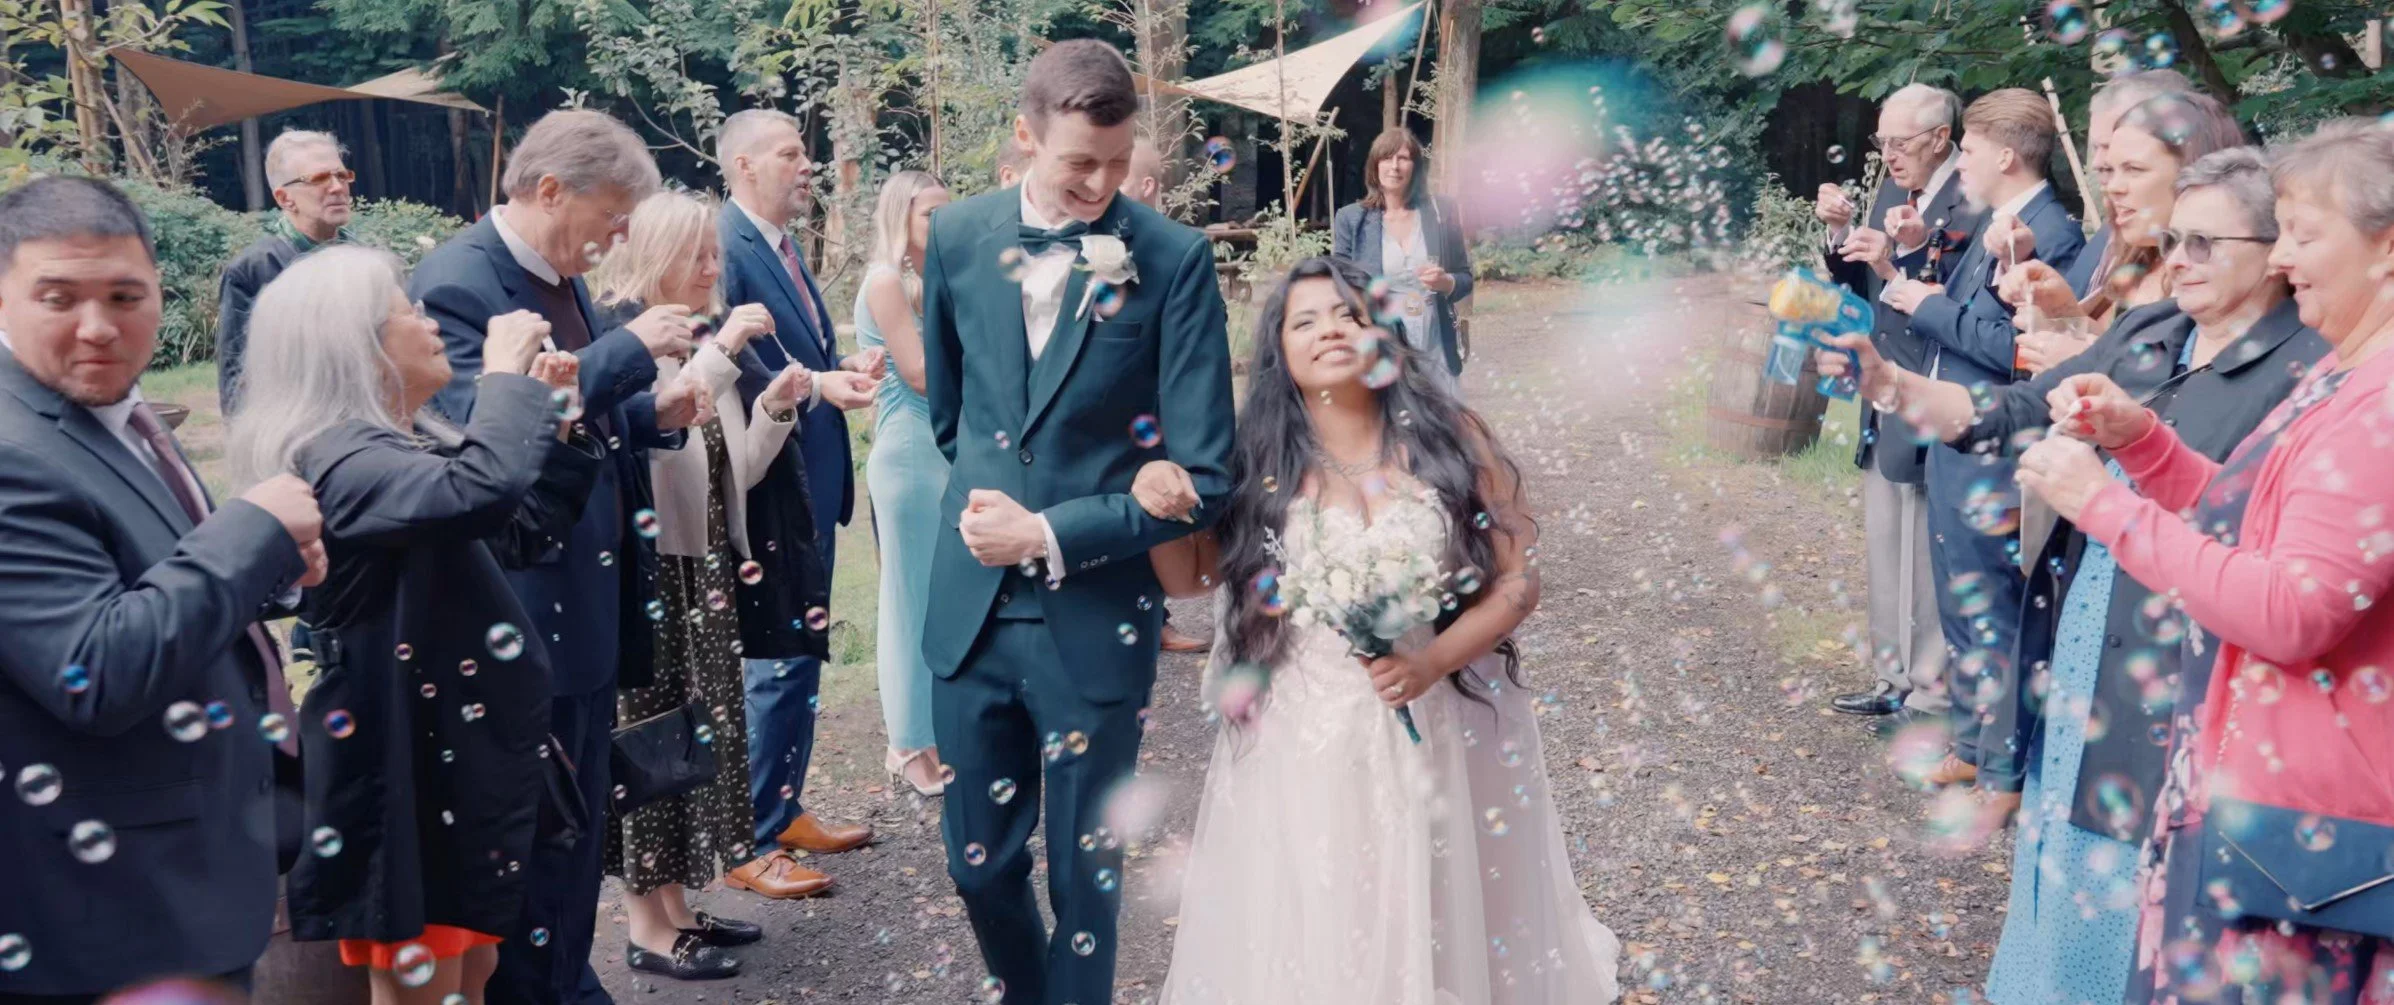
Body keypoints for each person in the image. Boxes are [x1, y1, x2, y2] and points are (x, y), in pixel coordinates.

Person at [1827, 145, 2328, 1005]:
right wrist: (1888, 382)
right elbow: (2008, 412)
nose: (2179, 260)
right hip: (2091, 613)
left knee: (2139, 861)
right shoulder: (2154, 327)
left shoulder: (2303, 371)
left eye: (2207, 243)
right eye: (2176, 239)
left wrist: (2104, 490)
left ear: (2277, 250)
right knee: (2065, 823)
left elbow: (2269, 546)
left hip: (2191, 649)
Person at [1148, 256, 1620, 1004]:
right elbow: (1187, 580)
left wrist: (1433, 659)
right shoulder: (1256, 459)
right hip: (1301, 733)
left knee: (1438, 894)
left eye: (1349, 313)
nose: (1332, 328)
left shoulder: (1450, 437)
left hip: (1440, 715)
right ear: (1280, 354)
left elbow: (1518, 581)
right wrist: (1156, 496)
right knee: (1322, 902)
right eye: (1306, 320)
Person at [2016, 118, 2394, 1005]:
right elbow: (2253, 516)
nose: (2280, 257)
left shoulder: (2383, 408)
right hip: (2261, 799)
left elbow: (2293, 609)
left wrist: (2104, 506)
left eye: (2303, 233)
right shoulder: (2346, 374)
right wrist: (2144, 444)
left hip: (2306, 834)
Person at [918, 39, 1236, 1003]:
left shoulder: (1173, 260)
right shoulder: (958, 236)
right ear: (1024, 136)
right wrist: (994, 522)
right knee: (978, 868)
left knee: (1084, 877)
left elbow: (1207, 470)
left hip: (1098, 612)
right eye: (1077, 163)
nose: (1101, 183)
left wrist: (1052, 532)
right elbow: (955, 418)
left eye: (1117, 159)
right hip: (969, 611)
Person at [227, 245, 604, 1005]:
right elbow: (482, 489)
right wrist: (501, 377)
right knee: (421, 981)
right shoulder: (340, 456)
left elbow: (521, 529)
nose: (426, 318)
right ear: (353, 343)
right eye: (405, 308)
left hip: (453, 748)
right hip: (399, 756)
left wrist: (553, 425)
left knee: (473, 968)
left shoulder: (404, 442)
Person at [0, 176, 325, 1002]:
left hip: (190, 872)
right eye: (57, 297)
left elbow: (152, 576)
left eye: (124, 294)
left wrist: (269, 574)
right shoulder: (12, 449)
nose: (98, 326)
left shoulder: (114, 409)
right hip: (107, 912)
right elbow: (92, 668)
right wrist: (250, 530)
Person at [411, 108, 705, 1005]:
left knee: (576, 835)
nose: (619, 237)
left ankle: (572, 979)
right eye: (612, 216)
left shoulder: (560, 276)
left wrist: (650, 414)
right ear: (548, 192)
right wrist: (626, 353)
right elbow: (487, 440)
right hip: (522, 608)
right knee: (533, 844)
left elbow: (580, 418)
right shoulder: (460, 283)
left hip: (589, 604)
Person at [590, 189, 820, 974]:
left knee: (688, 743)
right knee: (647, 736)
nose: (713, 266)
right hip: (657, 573)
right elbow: (660, 429)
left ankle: (680, 906)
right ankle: (646, 928)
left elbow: (733, 473)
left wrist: (779, 409)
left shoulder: (694, 339)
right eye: (699, 254)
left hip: (708, 569)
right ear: (656, 255)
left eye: (715, 253)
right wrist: (723, 348)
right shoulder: (628, 345)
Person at [1877, 87, 2087, 787]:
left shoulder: (2052, 234)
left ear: (2003, 153)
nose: (1959, 162)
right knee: (1962, 600)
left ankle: (2001, 762)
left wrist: (1931, 308)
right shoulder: (1996, 221)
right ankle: (1972, 744)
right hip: (1958, 437)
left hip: (1998, 443)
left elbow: (2015, 352)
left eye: (1966, 149)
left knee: (1994, 605)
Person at [712, 109, 882, 884]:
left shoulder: (782, 243)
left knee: (804, 649)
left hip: (814, 471)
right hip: (769, 474)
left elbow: (795, 351)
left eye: (806, 150)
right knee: (776, 655)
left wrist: (838, 364)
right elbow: (732, 357)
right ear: (744, 165)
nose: (806, 164)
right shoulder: (726, 242)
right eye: (790, 153)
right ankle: (750, 833)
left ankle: (786, 806)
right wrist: (819, 383)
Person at [1812, 83, 1969, 723]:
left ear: (1940, 137)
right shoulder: (1890, 191)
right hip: (1881, 384)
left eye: (1899, 143)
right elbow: (1862, 282)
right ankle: (1893, 677)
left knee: (1927, 552)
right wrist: (1844, 232)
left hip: (1932, 389)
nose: (1888, 154)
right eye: (1882, 142)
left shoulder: (1974, 198)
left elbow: (1953, 299)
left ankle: (1931, 693)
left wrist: (1897, 260)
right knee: (1884, 537)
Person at [856, 170, 955, 797]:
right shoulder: (885, 280)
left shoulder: (936, 278)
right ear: (901, 219)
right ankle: (908, 745)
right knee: (908, 597)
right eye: (930, 215)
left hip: (944, 449)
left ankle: (935, 727)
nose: (943, 225)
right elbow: (919, 374)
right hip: (911, 453)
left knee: (942, 596)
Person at [1114, 141, 1211, 655]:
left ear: (1145, 186)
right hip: (1116, 416)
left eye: (1118, 172)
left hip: (1161, 409)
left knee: (1162, 512)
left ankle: (1157, 619)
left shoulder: (1177, 254)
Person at [217, 129, 354, 413]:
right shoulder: (254, 270)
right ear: (284, 198)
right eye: (319, 179)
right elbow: (236, 381)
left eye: (341, 175)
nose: (337, 187)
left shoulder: (366, 260)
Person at [1332, 128, 1475, 397]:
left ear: (1416, 167)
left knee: (1441, 428)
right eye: (1386, 158)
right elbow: (1341, 286)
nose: (1394, 166)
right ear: (1375, 166)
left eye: (1403, 158)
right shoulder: (1351, 219)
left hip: (1435, 342)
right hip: (1383, 345)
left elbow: (1465, 278)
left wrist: (1446, 282)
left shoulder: (1441, 211)